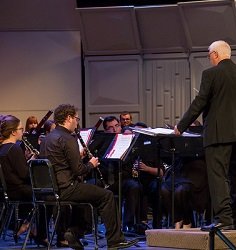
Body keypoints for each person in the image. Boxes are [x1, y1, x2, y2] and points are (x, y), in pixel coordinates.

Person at [174, 40, 236, 230]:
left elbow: (200, 101)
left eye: (209, 54)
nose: (209, 58)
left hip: (218, 135)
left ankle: (224, 220)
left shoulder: (210, 74)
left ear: (216, 54)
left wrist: (181, 126)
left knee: (218, 177)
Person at [42, 104, 137, 249]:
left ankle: (74, 232)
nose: (77, 122)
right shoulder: (68, 138)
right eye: (76, 118)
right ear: (68, 118)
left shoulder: (48, 138)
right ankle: (115, 240)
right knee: (106, 196)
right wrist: (92, 164)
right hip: (66, 188)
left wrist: (77, 157)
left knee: (92, 193)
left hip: (50, 190)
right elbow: (79, 170)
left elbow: (58, 162)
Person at [0, 115, 48, 246]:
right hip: (19, 190)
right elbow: (25, 174)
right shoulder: (14, 148)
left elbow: (14, 170)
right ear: (13, 132)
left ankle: (28, 224)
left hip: (10, 190)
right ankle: (38, 233)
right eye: (21, 129)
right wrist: (32, 162)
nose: (23, 131)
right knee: (47, 197)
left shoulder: (2, 148)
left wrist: (25, 159)